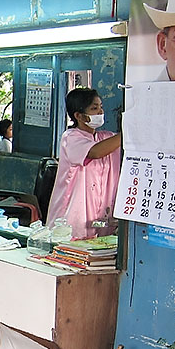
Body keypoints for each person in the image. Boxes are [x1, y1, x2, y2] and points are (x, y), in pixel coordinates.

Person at [46, 88, 121, 239]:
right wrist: (127, 134)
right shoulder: (71, 138)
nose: (100, 112)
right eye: (94, 108)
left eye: (101, 107)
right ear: (79, 116)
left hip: (100, 218)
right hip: (72, 217)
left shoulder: (106, 138)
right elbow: (95, 152)